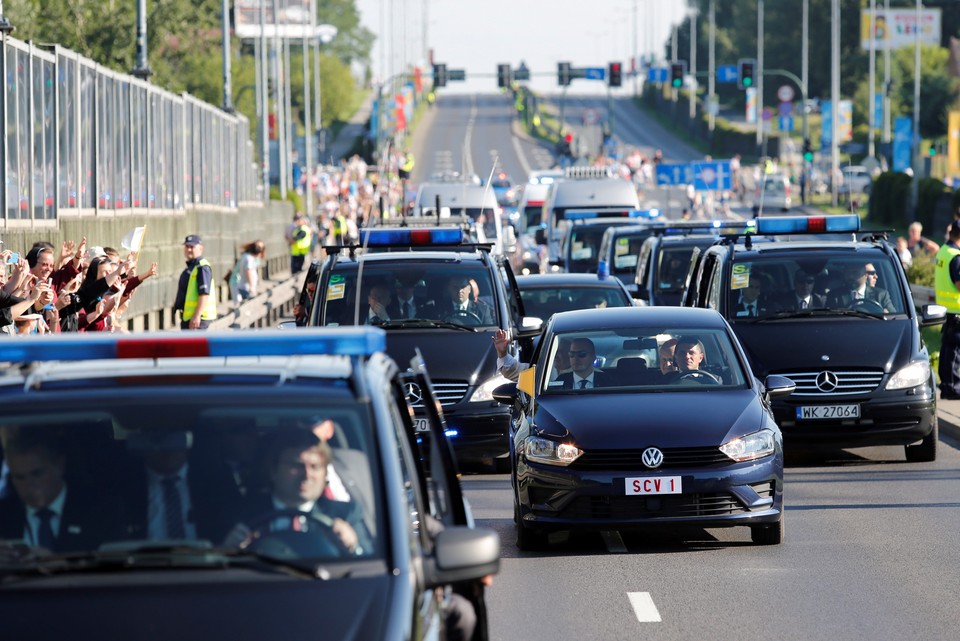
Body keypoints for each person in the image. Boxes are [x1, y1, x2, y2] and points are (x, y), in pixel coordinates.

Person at [223, 430, 372, 556]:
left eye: (315, 467)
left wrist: (353, 547)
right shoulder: (242, 515)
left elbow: (371, 567)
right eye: (297, 465)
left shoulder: (346, 514)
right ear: (274, 470)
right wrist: (229, 551)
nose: (307, 475)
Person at [0, 431, 116, 552]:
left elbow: (114, 561)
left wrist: (60, 563)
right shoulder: (4, 516)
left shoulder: (99, 510)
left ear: (59, 466)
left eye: (37, 473)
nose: (29, 484)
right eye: (19, 477)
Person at [120, 429, 233, 543]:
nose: (168, 448)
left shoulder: (215, 482)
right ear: (143, 446)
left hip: (208, 559)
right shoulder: (122, 486)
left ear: (187, 443)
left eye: (174, 439)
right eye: (158, 440)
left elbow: (235, 528)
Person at [935, 221, 960, 399]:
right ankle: (952, 388)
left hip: (945, 309)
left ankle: (946, 384)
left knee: (947, 350)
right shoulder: (956, 256)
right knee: (954, 352)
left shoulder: (943, 251)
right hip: (956, 310)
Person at [174, 234, 216, 330]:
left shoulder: (202, 267)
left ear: (201, 248)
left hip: (198, 321)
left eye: (192, 247)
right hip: (190, 318)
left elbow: (204, 294)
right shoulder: (192, 267)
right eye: (187, 246)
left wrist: (197, 315)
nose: (189, 249)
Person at [825, 263, 894, 312]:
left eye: (855, 273)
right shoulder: (834, 296)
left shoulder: (880, 295)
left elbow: (894, 317)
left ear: (865, 274)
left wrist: (885, 315)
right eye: (848, 273)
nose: (851, 276)